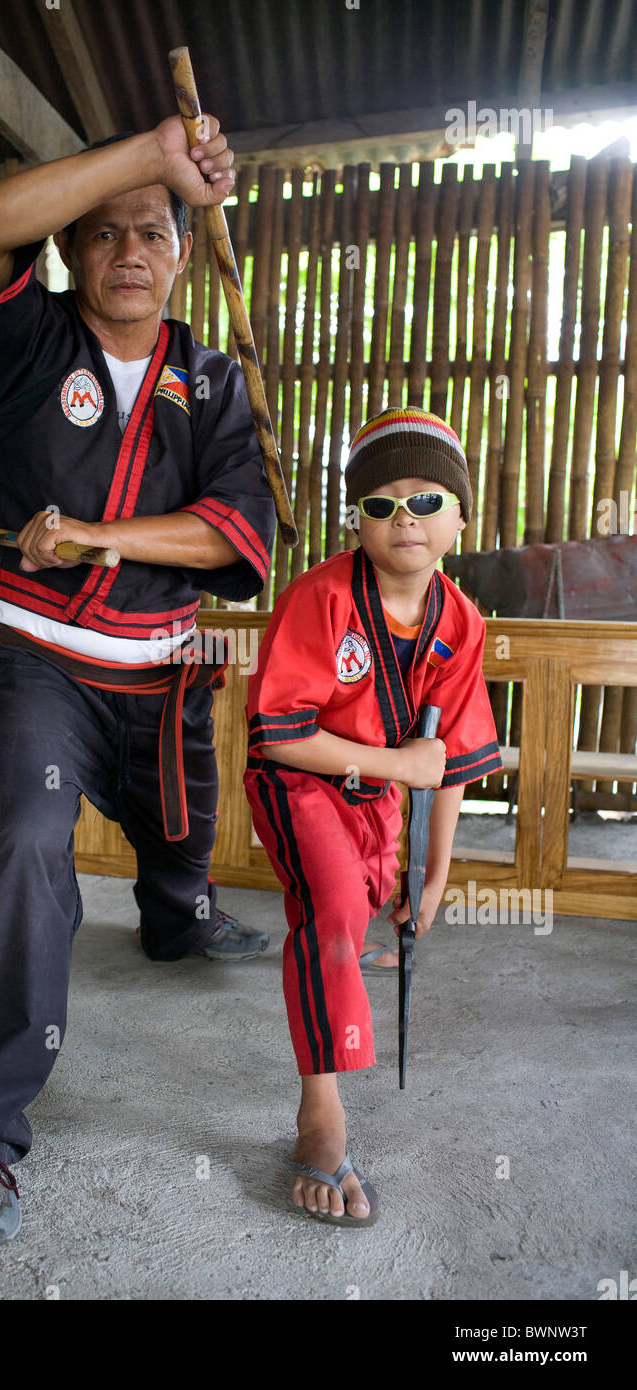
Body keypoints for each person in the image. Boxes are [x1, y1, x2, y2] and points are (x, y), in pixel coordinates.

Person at [0, 116, 276, 1252]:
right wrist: (153, 154)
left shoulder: (209, 379)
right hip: (41, 667)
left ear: (179, 253)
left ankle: (177, 914)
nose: (125, 251)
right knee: (25, 845)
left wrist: (105, 531)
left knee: (178, 829)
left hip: (160, 676)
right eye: (100, 233)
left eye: (150, 232)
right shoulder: (23, 347)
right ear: (73, 253)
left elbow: (235, 534)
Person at [243, 406, 503, 1227]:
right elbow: (281, 736)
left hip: (379, 799)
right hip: (301, 781)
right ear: (357, 517)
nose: (406, 519)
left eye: (428, 501)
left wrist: (434, 879)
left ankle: (350, 955)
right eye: (384, 502)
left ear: (462, 518)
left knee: (363, 913)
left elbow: (453, 764)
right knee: (328, 907)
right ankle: (320, 1115)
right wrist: (398, 765)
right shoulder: (319, 598)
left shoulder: (460, 620)